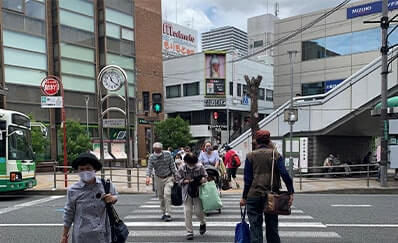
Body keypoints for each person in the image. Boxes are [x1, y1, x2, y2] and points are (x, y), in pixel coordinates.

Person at [240, 130, 294, 243]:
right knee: (272, 227)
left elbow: (247, 180)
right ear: (269, 140)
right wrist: (290, 191)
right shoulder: (276, 155)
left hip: (253, 195)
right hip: (271, 196)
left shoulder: (250, 156)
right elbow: (284, 174)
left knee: (255, 227)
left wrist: (244, 197)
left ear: (256, 141)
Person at [61, 153, 118, 243]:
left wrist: (112, 198)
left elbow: (115, 196)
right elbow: (69, 213)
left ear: (94, 169)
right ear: (78, 171)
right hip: (82, 236)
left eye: (88, 168)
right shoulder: (73, 190)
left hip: (103, 235)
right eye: (82, 169)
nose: (85, 172)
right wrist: (64, 235)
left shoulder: (105, 185)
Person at [176, 153, 208, 240]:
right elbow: (177, 179)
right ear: (186, 162)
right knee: (187, 211)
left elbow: (205, 176)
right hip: (186, 192)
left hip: (198, 191)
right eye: (189, 163)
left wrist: (203, 180)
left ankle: (202, 222)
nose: (191, 165)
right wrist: (184, 181)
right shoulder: (182, 168)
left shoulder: (200, 167)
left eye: (193, 163)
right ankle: (189, 231)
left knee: (198, 211)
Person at [146, 142, 177, 222]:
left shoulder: (168, 154)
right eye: (156, 150)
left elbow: (172, 166)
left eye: (159, 150)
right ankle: (163, 212)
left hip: (168, 177)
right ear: (154, 150)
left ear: (161, 149)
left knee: (167, 194)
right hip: (158, 178)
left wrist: (176, 175)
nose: (157, 152)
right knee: (161, 197)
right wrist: (148, 177)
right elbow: (149, 167)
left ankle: (168, 213)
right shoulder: (152, 157)